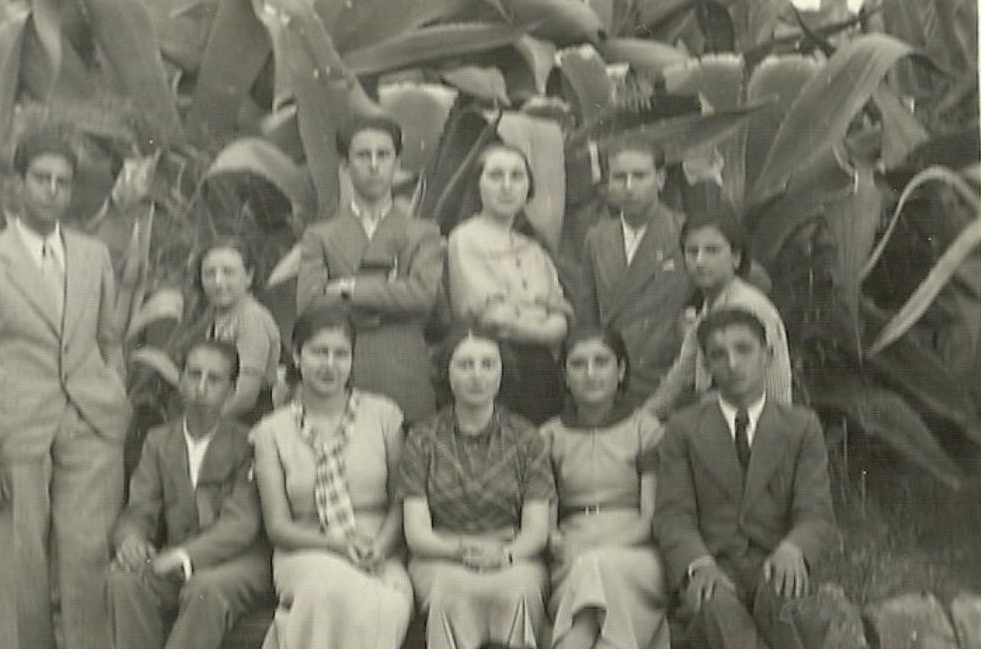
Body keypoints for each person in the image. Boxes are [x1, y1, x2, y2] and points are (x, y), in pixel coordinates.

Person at [0, 126, 131, 649]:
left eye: (62, 182)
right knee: (21, 560)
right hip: (15, 431)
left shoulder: (93, 255)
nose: (52, 192)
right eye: (41, 179)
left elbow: (108, 338)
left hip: (89, 423)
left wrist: (113, 396)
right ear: (17, 184)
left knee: (86, 555)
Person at [652, 307, 845, 649]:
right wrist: (697, 563)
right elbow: (672, 517)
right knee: (716, 605)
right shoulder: (684, 430)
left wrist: (794, 547)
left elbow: (816, 512)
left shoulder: (799, 427)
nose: (732, 363)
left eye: (743, 350)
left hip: (770, 565)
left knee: (780, 600)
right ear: (707, 366)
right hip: (714, 570)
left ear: (768, 355)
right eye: (719, 355)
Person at [231, 304, 414, 649]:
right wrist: (337, 544)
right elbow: (278, 526)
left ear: (353, 359)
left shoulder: (383, 415)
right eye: (318, 353)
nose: (329, 365)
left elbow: (402, 499)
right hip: (306, 545)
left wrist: (382, 544)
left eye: (340, 353)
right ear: (297, 355)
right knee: (324, 589)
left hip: (378, 542)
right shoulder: (271, 431)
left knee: (389, 605)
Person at [500, 326, 669, 649]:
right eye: (579, 364)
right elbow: (546, 524)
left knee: (598, 577)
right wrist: (564, 544)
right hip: (573, 556)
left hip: (636, 556)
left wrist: (596, 548)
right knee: (604, 622)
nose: (591, 373)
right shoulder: (547, 437)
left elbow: (649, 518)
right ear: (565, 376)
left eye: (602, 362)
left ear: (621, 372)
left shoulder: (646, 430)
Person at [93, 339, 272, 649]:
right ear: (180, 381)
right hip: (178, 560)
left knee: (205, 589)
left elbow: (241, 526)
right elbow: (138, 510)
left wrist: (184, 556)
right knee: (125, 579)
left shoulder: (249, 441)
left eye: (214, 379)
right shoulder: (159, 442)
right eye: (193, 375)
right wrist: (131, 540)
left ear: (231, 391)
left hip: (240, 562)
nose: (201, 387)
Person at [400, 327, 556, 649]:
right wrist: (460, 552)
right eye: (464, 364)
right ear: (446, 373)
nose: (476, 375)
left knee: (519, 592)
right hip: (441, 551)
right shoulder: (422, 439)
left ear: (502, 373)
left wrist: (505, 556)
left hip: (510, 548)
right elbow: (415, 532)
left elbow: (536, 530)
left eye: (487, 364)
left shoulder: (527, 439)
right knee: (452, 593)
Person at [295, 115, 444, 423]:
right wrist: (391, 295)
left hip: (404, 368)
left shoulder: (422, 232)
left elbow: (422, 295)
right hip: (344, 370)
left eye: (383, 155)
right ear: (345, 166)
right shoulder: (320, 235)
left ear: (397, 163)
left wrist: (349, 289)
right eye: (363, 155)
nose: (374, 164)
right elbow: (310, 304)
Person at [445, 143, 572, 426]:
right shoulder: (465, 239)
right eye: (495, 176)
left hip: (543, 374)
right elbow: (493, 320)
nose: (506, 186)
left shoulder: (533, 248)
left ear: (529, 187)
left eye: (516, 176)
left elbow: (561, 314)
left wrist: (539, 321)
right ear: (478, 185)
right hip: (499, 370)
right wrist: (545, 326)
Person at [573, 140, 691, 405]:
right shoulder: (597, 238)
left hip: (667, 381)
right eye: (619, 177)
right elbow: (587, 317)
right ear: (608, 184)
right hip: (613, 383)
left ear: (660, 180)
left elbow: (743, 280)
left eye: (639, 176)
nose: (629, 187)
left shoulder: (685, 232)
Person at [644, 212, 792, 419]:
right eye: (692, 252)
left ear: (736, 257)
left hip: (761, 428)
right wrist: (636, 425)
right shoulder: (711, 307)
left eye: (712, 250)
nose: (700, 261)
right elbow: (680, 376)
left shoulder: (746, 307)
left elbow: (746, 388)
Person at [198, 236, 281, 425]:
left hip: (247, 422)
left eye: (228, 272)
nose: (218, 282)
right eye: (210, 273)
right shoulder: (219, 319)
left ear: (249, 276)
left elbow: (246, 396)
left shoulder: (251, 318)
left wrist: (206, 427)